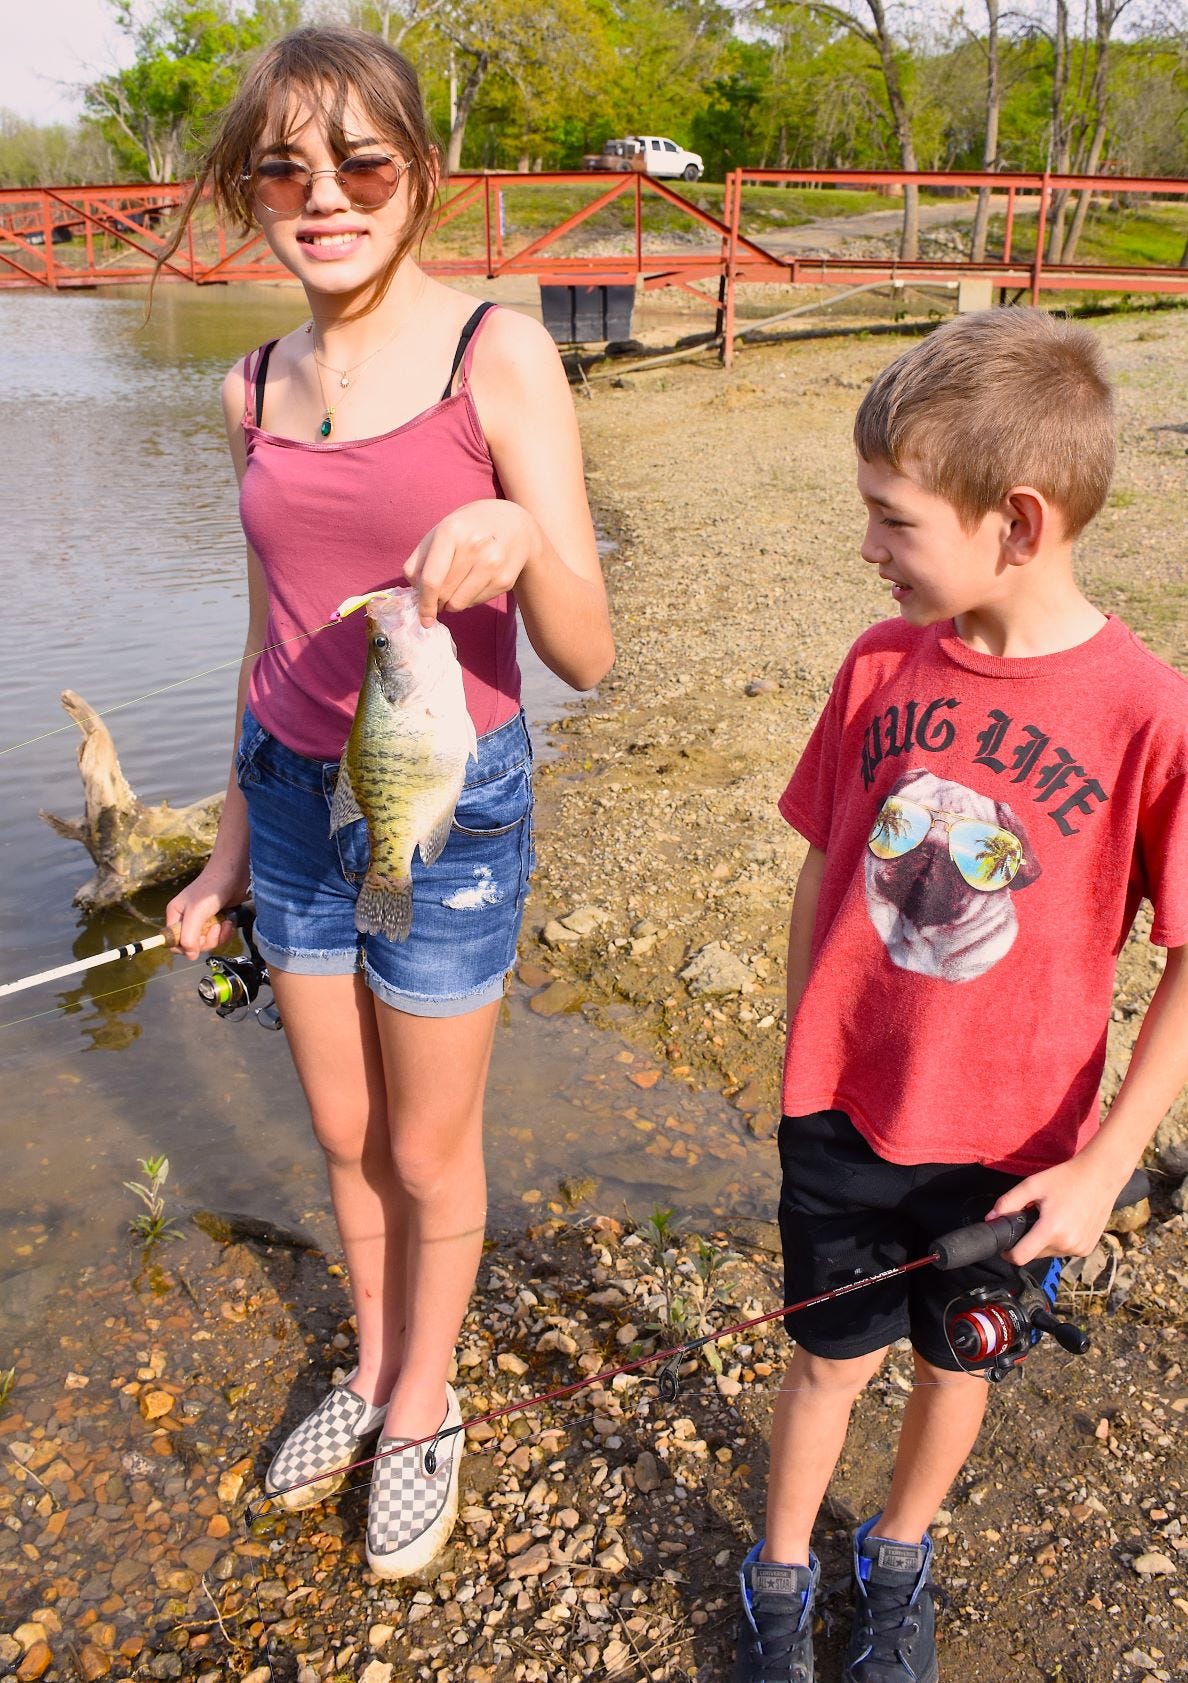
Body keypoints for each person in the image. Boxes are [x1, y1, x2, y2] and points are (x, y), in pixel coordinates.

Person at [162, 25, 613, 1580]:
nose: (323, 196)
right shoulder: (247, 383)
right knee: (343, 1132)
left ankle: (427, 1402)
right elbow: (263, 629)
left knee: (429, 1148)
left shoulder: (499, 350)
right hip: (291, 797)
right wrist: (221, 843)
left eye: (362, 163)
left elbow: (589, 652)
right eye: (283, 167)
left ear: (422, 175)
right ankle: (369, 1363)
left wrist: (513, 526)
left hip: (446, 797)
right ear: (247, 189)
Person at [734, 308, 1188, 1683]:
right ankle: (781, 1571)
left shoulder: (1146, 713)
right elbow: (823, 865)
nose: (867, 547)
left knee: (960, 1364)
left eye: (891, 518)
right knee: (826, 1364)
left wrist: (1106, 1164)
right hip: (846, 1121)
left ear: (1018, 521)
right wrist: (798, 1050)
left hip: (1018, 1151)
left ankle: (902, 1554)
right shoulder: (879, 666)